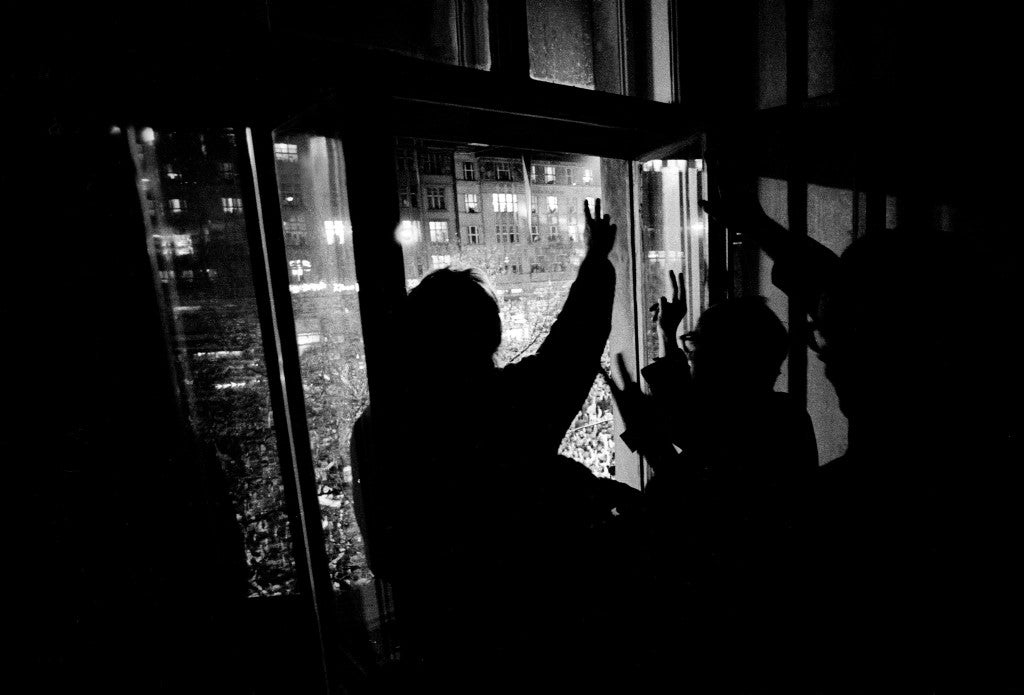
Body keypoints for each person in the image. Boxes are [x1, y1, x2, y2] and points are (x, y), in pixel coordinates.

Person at [700, 178, 1021, 685]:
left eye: (834, 341)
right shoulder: (974, 438)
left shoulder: (841, 519)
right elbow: (844, 290)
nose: (828, 364)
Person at [352, 200, 645, 692]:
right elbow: (572, 348)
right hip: (532, 637)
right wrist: (595, 260)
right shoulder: (508, 406)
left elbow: (386, 552)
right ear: (487, 335)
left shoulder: (379, 428)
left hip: (443, 649)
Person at [610, 270, 817, 689]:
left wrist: (653, 447)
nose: (691, 357)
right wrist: (668, 335)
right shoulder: (778, 417)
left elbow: (707, 522)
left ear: (729, 365)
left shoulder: (754, 428)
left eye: (698, 348)